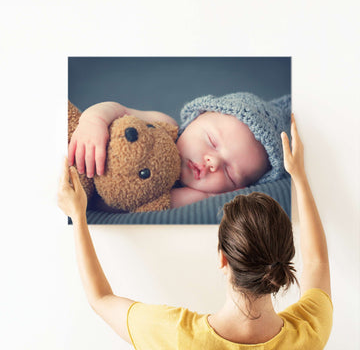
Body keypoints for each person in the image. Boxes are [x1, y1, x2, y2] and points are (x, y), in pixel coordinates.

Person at [58, 114, 332, 349]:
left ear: (223, 258)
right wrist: (299, 177)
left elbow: (101, 299)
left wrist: (78, 217)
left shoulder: (177, 336)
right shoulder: (308, 333)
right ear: (284, 258)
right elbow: (317, 262)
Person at [68, 92, 290, 208]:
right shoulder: (163, 125)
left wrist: (206, 195)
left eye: (230, 173)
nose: (212, 162)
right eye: (212, 141)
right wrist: (93, 121)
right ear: (196, 117)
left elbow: (158, 204)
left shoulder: (196, 197)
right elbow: (118, 109)